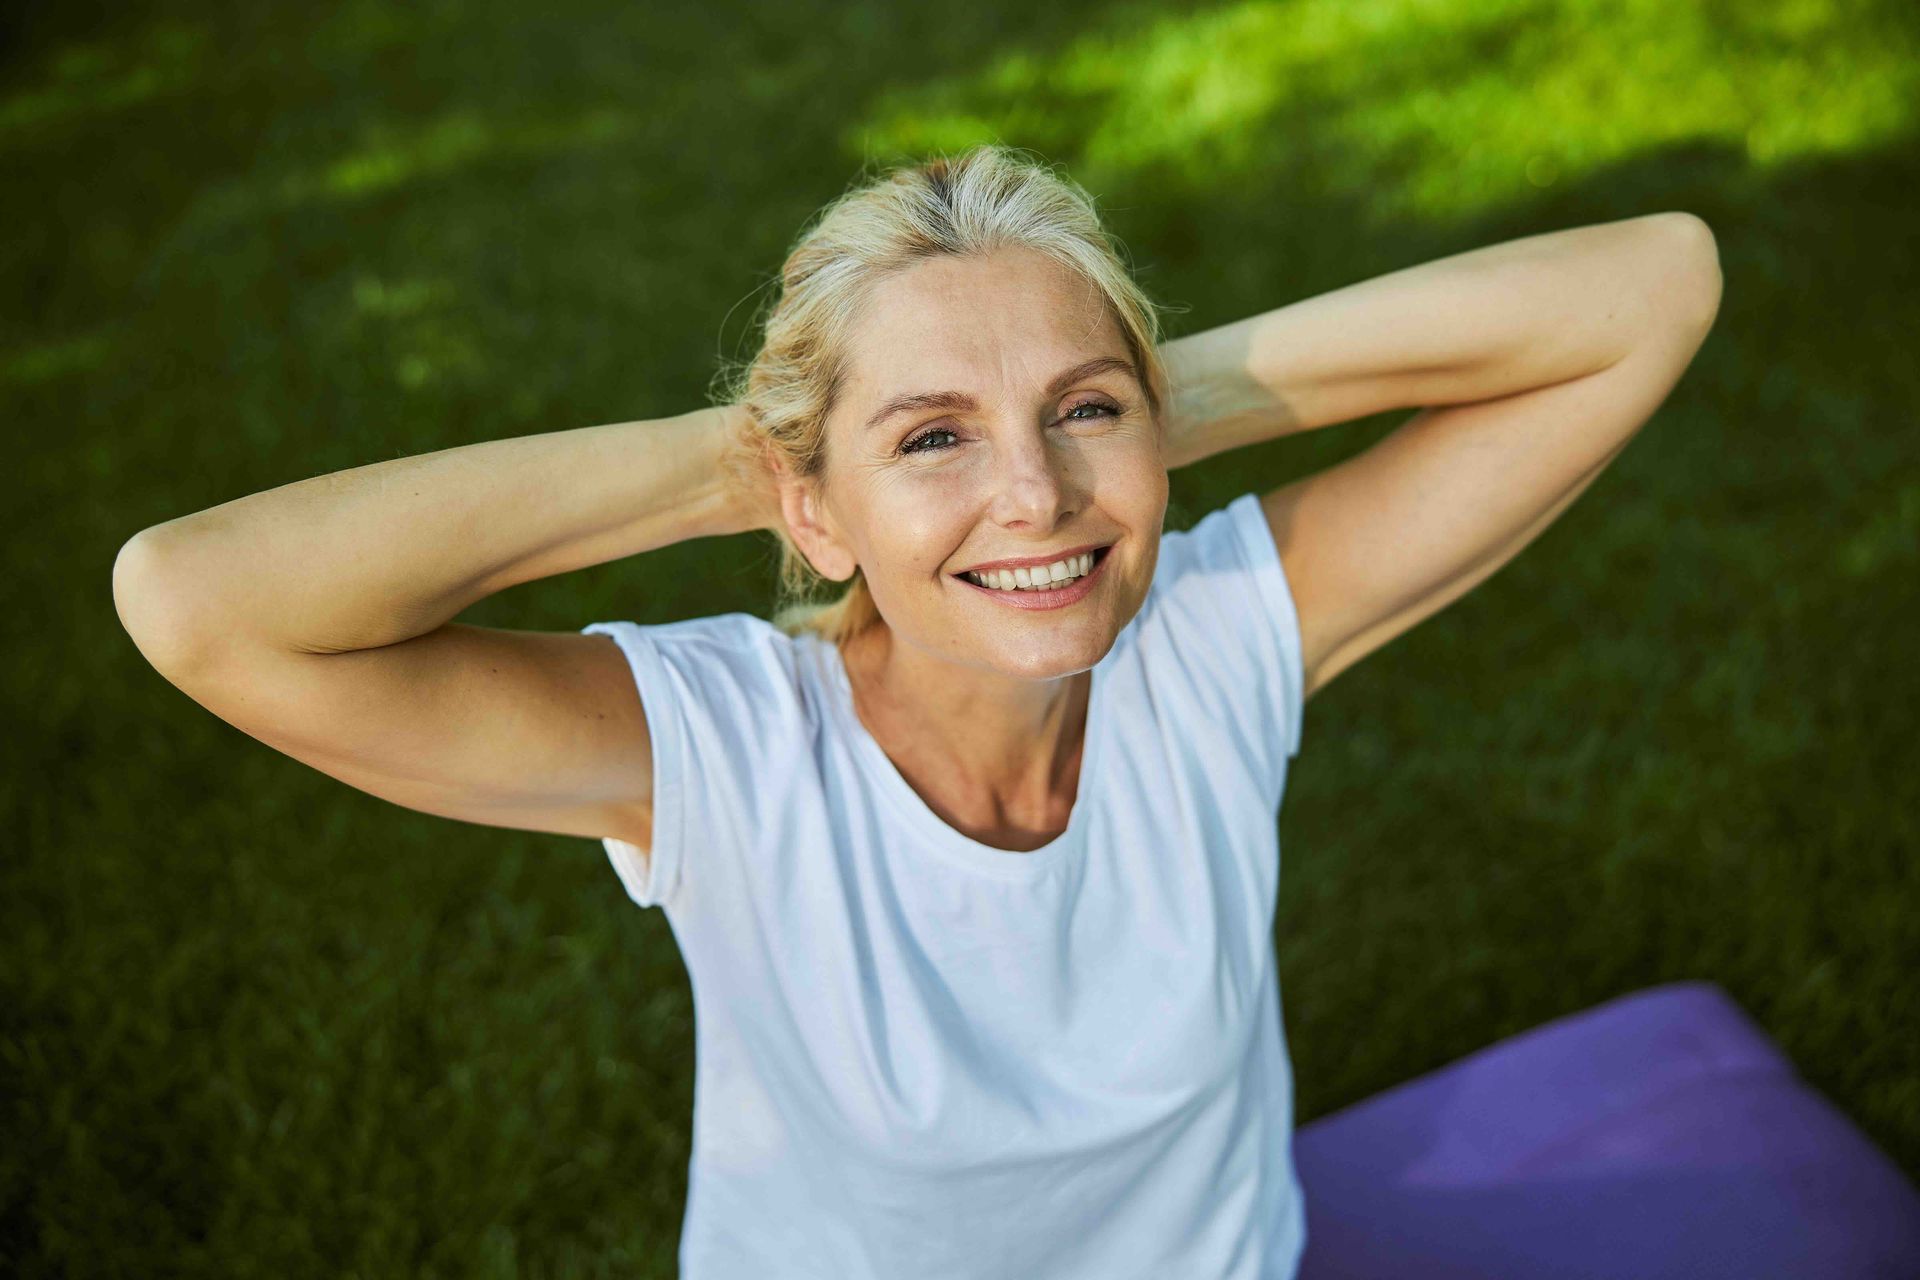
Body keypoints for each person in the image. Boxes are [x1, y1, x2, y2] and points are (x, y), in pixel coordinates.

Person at [111, 144, 1722, 1278]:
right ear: (812, 510)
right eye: (934, 439)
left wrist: (1151, 402)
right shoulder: (731, 752)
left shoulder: (1210, 639)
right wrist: (761, 465)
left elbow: (1655, 284)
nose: (1035, 497)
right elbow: (197, 602)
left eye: (1082, 413)